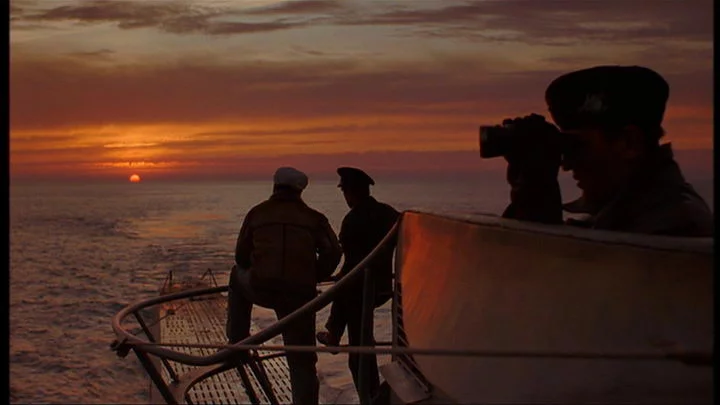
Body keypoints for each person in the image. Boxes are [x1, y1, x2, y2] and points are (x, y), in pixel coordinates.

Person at [494, 65, 713, 236]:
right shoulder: (632, 214)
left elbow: (557, 276)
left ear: (629, 143)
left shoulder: (672, 229)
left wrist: (540, 203)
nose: (566, 164)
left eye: (576, 146)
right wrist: (531, 193)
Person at [226, 166, 342, 405]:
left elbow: (240, 256)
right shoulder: (314, 219)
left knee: (236, 275)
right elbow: (333, 252)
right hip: (299, 296)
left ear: (275, 186)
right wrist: (314, 275)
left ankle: (238, 341)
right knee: (302, 360)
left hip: (262, 289)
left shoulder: (257, 214)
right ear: (300, 190)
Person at [316, 167, 400, 404]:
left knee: (358, 348)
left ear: (350, 192)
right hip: (383, 286)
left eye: (345, 192)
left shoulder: (352, 220)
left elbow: (352, 262)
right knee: (362, 338)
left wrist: (337, 279)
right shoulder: (389, 213)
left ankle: (367, 394)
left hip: (360, 290)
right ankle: (334, 333)